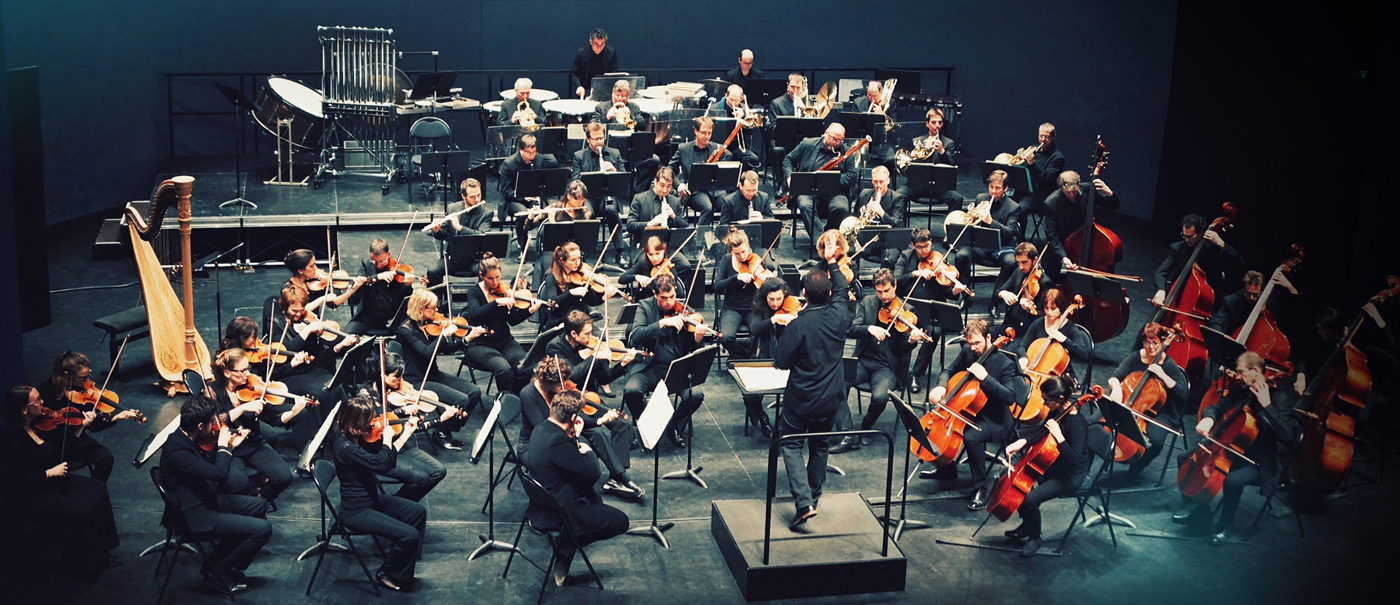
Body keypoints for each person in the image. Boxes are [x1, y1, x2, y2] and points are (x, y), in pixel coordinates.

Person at [1176, 351, 1298, 545]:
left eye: (1241, 372)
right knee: (1184, 458)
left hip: (1259, 460)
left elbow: (1289, 436)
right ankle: (1201, 514)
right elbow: (1216, 407)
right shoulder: (1240, 390)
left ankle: (1224, 526)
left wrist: (1267, 406)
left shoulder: (1278, 398)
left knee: (1233, 481)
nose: (1237, 376)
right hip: (1229, 449)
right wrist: (1209, 418)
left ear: (1256, 371)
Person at [2, 385, 121, 580]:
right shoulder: (12, 438)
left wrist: (81, 426)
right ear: (24, 410)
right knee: (79, 511)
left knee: (98, 488)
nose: (43, 403)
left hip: (53, 481)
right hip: (33, 494)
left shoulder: (36, 424)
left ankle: (102, 552)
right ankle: (82, 566)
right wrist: (49, 473)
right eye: (37, 401)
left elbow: (60, 453)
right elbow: (18, 482)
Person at [159, 394, 272, 596]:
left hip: (203, 497)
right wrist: (224, 447)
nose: (216, 426)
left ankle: (227, 564)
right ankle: (214, 573)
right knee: (262, 530)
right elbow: (219, 474)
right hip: (194, 513)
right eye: (213, 422)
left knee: (260, 507)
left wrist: (227, 446)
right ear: (200, 425)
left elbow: (204, 465)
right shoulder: (177, 451)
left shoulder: (188, 436)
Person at [525, 388, 631, 587]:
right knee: (621, 522)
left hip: (540, 501)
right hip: (560, 509)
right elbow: (592, 473)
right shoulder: (557, 441)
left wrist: (574, 435)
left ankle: (568, 543)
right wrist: (588, 450)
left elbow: (564, 461)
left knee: (596, 501)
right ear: (573, 417)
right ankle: (568, 544)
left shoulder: (541, 428)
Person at [920, 319, 1027, 511]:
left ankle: (980, 487)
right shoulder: (967, 351)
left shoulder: (1005, 364)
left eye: (977, 343)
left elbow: (1010, 397)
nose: (973, 347)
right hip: (968, 409)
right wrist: (941, 386)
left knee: (971, 437)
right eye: (970, 343)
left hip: (995, 418)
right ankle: (947, 469)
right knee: (943, 428)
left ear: (988, 338)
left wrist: (985, 378)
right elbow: (948, 371)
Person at [773, 270, 849, 527]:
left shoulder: (799, 325)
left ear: (803, 294)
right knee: (820, 446)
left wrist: (784, 333)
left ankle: (804, 503)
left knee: (792, 445)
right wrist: (833, 262)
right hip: (830, 399)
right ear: (828, 294)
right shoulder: (840, 316)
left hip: (802, 399)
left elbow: (781, 362)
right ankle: (813, 500)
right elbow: (841, 289)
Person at [331, 393, 428, 592]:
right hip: (356, 511)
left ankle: (403, 569)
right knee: (408, 535)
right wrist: (387, 439)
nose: (373, 423)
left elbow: (386, 459)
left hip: (371, 501)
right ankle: (387, 573)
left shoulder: (356, 438)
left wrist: (406, 433)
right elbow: (382, 463)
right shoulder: (346, 447)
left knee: (417, 511)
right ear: (355, 422)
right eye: (369, 419)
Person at [520, 354, 641, 500]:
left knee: (596, 432)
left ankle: (620, 477)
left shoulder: (553, 390)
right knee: (583, 446)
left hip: (561, 431)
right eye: (561, 383)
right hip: (535, 444)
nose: (564, 386)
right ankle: (582, 492)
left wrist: (598, 421)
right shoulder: (528, 394)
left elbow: (573, 416)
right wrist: (575, 435)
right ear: (548, 381)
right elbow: (542, 429)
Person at [831, 269, 926, 453]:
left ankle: (866, 427)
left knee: (880, 396)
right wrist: (869, 329)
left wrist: (912, 341)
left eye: (887, 291)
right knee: (835, 384)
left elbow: (902, 349)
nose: (883, 296)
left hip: (888, 367)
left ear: (895, 286)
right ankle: (848, 434)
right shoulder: (867, 302)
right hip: (864, 361)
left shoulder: (907, 310)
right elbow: (852, 329)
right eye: (879, 291)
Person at [1000, 375, 1091, 557]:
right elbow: (1043, 429)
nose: (1044, 404)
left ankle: (1035, 537)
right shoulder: (1057, 410)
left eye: (1047, 400)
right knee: (1019, 483)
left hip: (1071, 475)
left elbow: (1073, 459)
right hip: (1055, 464)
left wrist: (1059, 437)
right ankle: (1027, 524)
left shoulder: (1077, 423)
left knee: (1030, 499)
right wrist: (1023, 442)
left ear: (1060, 399)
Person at [396, 289, 487, 450]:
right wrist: (443, 335)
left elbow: (446, 349)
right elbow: (426, 352)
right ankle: (442, 432)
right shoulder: (405, 330)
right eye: (433, 307)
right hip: (416, 380)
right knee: (461, 400)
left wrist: (467, 338)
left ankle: (445, 429)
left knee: (473, 392)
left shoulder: (429, 324)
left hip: (433, 374)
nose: (437, 311)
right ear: (421, 309)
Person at [624, 274, 708, 446]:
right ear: (655, 295)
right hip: (648, 367)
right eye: (664, 298)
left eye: (672, 297)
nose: (669, 302)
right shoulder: (644, 307)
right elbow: (635, 337)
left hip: (676, 368)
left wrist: (698, 339)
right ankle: (646, 428)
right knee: (631, 391)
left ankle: (673, 427)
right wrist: (661, 324)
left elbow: (693, 349)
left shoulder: (684, 310)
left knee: (696, 395)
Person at [1103, 322, 1190, 483]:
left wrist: (1163, 375)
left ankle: (1135, 469)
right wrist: (1116, 388)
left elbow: (1183, 394)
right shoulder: (1136, 357)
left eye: (1155, 343)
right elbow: (1115, 376)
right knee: (1097, 421)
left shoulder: (1168, 364)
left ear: (1163, 342)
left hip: (1162, 412)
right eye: (1147, 342)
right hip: (1132, 402)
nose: (1151, 347)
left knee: (1156, 442)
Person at [36, 351, 140, 483]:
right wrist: (79, 426)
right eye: (82, 378)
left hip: (77, 435)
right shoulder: (46, 391)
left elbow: (94, 426)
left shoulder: (83, 393)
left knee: (106, 458)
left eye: (88, 375)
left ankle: (94, 489)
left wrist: (116, 417)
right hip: (55, 440)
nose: (87, 382)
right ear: (67, 375)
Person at [209, 348, 296, 503]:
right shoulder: (213, 391)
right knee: (238, 485)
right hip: (230, 448)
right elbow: (217, 421)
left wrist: (294, 411)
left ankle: (259, 500)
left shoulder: (251, 388)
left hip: (253, 442)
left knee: (284, 477)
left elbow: (274, 419)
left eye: (248, 369)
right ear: (227, 373)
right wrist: (242, 408)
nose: (248, 374)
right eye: (242, 371)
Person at [462, 254, 547, 395]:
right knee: (504, 369)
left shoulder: (505, 292)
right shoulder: (474, 292)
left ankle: (519, 398)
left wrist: (530, 311)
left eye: (497, 277)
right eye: (490, 278)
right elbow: (474, 314)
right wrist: (495, 303)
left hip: (504, 341)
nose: (495, 282)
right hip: (480, 344)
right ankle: (505, 402)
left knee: (524, 367)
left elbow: (512, 320)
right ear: (481, 275)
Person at [370, 352, 451, 501]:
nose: (400, 381)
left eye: (402, 376)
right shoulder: (369, 396)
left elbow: (413, 428)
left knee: (439, 471)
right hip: (383, 451)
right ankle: (397, 508)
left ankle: (400, 502)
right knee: (422, 478)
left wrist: (440, 420)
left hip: (401, 444)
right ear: (382, 375)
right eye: (396, 376)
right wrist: (400, 411)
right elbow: (378, 423)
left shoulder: (396, 393)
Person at [894, 228, 965, 392]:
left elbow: (946, 291)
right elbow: (895, 281)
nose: (925, 250)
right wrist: (914, 273)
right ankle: (898, 372)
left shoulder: (939, 259)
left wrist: (954, 291)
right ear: (913, 245)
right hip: (909, 309)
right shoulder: (906, 256)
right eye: (920, 247)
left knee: (935, 332)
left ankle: (916, 374)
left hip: (932, 309)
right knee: (901, 332)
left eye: (927, 245)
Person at [784, 123, 858, 251]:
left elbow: (852, 176)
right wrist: (790, 177)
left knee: (841, 207)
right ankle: (820, 243)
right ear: (826, 133)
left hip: (836, 192)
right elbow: (788, 160)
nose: (834, 143)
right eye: (832, 138)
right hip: (809, 191)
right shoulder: (808, 144)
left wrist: (830, 180)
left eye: (838, 140)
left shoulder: (847, 153)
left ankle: (827, 233)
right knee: (805, 204)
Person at [1040, 170, 1122, 281]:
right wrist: (1064, 257)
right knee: (1049, 277)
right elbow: (1052, 235)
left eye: (1074, 191)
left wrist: (1109, 192)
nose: (1071, 195)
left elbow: (1114, 205)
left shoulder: (1088, 190)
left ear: (1078, 185)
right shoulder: (1051, 203)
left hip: (1085, 236)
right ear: (1061, 188)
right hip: (1061, 238)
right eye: (1067, 192)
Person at [742, 280, 799, 437]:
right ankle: (762, 417)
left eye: (779, 299)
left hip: (787, 356)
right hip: (763, 353)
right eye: (771, 299)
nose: (775, 303)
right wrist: (773, 320)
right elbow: (754, 328)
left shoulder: (791, 306)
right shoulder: (759, 308)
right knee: (749, 394)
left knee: (798, 390)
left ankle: (781, 425)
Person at [950, 169, 1020, 288]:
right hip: (981, 246)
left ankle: (996, 300)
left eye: (997, 188)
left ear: (1005, 189)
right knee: (961, 255)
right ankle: (964, 294)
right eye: (991, 186)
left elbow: (1010, 232)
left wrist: (991, 221)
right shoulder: (981, 198)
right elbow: (973, 222)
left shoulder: (1014, 207)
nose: (993, 191)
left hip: (1001, 248)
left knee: (1011, 262)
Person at [712, 227, 774, 358]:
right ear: (731, 252)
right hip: (731, 308)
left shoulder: (756, 260)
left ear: (748, 245)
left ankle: (743, 356)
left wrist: (764, 278)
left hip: (754, 307)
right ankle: (745, 355)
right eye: (737, 254)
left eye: (743, 251)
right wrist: (735, 278)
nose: (741, 256)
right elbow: (717, 286)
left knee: (759, 331)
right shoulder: (726, 260)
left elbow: (769, 285)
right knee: (726, 337)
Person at [1010, 287, 1092, 382]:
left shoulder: (1070, 327)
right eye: (1046, 308)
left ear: (1060, 308)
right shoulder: (1038, 324)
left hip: (1061, 375)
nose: (1049, 312)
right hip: (1037, 369)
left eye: (1053, 308)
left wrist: (1064, 340)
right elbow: (1022, 346)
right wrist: (1023, 357)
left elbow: (1084, 354)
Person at [895, 107, 965, 212]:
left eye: (940, 122)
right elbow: (910, 165)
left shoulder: (948, 143)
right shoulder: (917, 141)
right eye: (934, 122)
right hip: (918, 185)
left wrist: (942, 151)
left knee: (957, 198)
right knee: (898, 196)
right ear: (927, 124)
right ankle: (900, 226)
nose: (937, 125)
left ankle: (950, 227)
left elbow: (950, 166)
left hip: (939, 186)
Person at [346, 239, 422, 335]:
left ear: (388, 254)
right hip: (368, 316)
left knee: (411, 336)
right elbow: (357, 286)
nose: (378, 265)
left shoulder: (399, 268)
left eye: (382, 261)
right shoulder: (366, 264)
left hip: (392, 317)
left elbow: (405, 299)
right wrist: (377, 277)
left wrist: (407, 285)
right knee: (346, 335)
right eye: (374, 261)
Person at [500, 135, 563, 249]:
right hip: (514, 200)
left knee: (549, 210)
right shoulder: (508, 164)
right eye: (528, 152)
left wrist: (539, 195)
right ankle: (522, 247)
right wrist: (524, 197)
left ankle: (546, 246)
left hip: (534, 198)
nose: (532, 156)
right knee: (523, 213)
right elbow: (506, 192)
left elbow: (543, 180)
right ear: (521, 150)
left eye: (534, 152)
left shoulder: (539, 159)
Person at [425, 178, 492, 285]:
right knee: (433, 271)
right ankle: (436, 301)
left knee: (489, 272)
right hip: (454, 258)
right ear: (463, 196)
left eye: (479, 195)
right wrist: (436, 231)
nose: (476, 199)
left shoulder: (487, 213)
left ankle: (483, 300)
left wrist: (459, 227)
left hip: (475, 259)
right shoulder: (453, 208)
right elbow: (445, 233)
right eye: (472, 196)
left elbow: (482, 235)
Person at [668, 116, 732, 225]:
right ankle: (700, 239)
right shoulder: (683, 149)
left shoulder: (716, 149)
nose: (707, 137)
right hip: (694, 191)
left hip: (715, 190)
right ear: (695, 131)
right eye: (703, 133)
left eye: (709, 133)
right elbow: (669, 170)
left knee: (729, 204)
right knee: (707, 208)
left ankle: (724, 235)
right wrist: (679, 185)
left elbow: (728, 160)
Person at [845, 165, 904, 266]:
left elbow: (897, 224)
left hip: (888, 242)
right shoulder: (864, 194)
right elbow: (854, 218)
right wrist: (862, 213)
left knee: (889, 259)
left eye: (882, 182)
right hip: (867, 240)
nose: (878, 185)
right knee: (844, 251)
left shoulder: (897, 198)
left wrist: (882, 213)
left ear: (888, 181)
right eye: (875, 181)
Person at [995, 242, 1054, 338]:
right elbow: (998, 292)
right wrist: (1003, 293)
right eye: (1018, 262)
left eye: (1024, 262)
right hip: (1009, 326)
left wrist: (1029, 310)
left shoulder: (1045, 282)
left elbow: (1045, 316)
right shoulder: (1019, 272)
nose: (1021, 267)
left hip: (1026, 332)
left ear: (1035, 260)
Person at [283, 248, 366, 314]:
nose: (316, 269)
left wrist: (353, 289)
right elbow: (300, 310)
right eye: (312, 266)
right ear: (300, 270)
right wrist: (322, 299)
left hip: (316, 326)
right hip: (300, 329)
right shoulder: (288, 289)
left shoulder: (314, 284)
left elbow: (335, 303)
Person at [626, 167, 689, 252]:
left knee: (685, 265)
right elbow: (630, 226)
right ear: (655, 182)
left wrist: (674, 217)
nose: (665, 190)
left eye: (669, 186)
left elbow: (685, 226)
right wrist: (649, 224)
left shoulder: (675, 201)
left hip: (668, 248)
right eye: (662, 185)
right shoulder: (639, 199)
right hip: (644, 248)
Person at [705, 84, 763, 172]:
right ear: (726, 96)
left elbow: (750, 132)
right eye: (731, 99)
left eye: (736, 100)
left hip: (736, 146)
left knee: (753, 159)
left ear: (741, 99)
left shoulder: (744, 109)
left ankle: (740, 180)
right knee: (728, 157)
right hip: (718, 144)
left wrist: (743, 117)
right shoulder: (714, 109)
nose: (733, 103)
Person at [619, 233, 693, 301]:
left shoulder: (669, 266)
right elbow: (621, 279)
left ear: (663, 250)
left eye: (657, 253)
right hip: (646, 303)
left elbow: (674, 289)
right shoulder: (643, 264)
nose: (654, 258)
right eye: (651, 254)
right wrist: (636, 277)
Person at [849, 80, 898, 177]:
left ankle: (885, 180)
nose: (872, 99)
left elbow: (894, 126)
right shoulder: (858, 103)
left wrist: (882, 115)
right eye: (869, 95)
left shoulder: (890, 103)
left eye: (875, 95)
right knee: (850, 158)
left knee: (891, 159)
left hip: (881, 143)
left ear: (881, 92)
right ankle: (855, 185)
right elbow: (852, 124)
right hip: (861, 141)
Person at [1019, 122, 1065, 211]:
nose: (1043, 140)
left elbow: (1047, 179)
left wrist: (1032, 163)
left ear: (1053, 137)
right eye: (1041, 136)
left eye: (1047, 137)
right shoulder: (1034, 148)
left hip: (1038, 195)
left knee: (1019, 209)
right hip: (1023, 189)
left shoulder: (1058, 157)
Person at [569, 28, 616, 100]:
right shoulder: (581, 53)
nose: (599, 47)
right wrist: (579, 86)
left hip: (605, 92)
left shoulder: (611, 53)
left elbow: (613, 74)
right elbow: (574, 74)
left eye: (602, 44)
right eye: (596, 44)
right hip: (585, 90)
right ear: (591, 42)